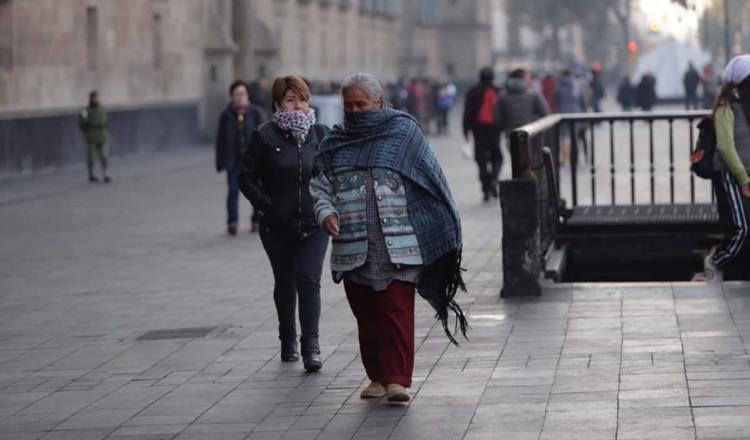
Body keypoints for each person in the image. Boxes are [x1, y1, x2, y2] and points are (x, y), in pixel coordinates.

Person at [310, 73, 467, 403]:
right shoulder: (334, 143)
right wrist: (325, 213)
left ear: (378, 103)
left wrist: (432, 223)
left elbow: (428, 178)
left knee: (395, 311)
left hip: (399, 243)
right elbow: (320, 186)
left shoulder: (403, 133)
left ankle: (397, 379)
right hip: (352, 245)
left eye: (361, 105)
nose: (354, 111)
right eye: (348, 106)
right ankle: (377, 378)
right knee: (366, 315)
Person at [239, 75, 330, 372]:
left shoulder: (321, 134)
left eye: (303, 99)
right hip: (277, 226)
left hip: (314, 224)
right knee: (285, 281)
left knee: (309, 279)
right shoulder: (265, 136)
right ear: (278, 103)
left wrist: (329, 207)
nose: (299, 106)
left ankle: (312, 346)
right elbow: (246, 178)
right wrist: (268, 207)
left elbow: (334, 174)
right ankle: (287, 337)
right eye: (291, 100)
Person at [701, 55, 750, 282]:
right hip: (731, 173)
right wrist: (742, 179)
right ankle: (715, 260)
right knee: (741, 228)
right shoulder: (726, 104)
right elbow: (726, 146)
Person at [215, 80, 266, 235]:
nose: (240, 97)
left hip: (253, 162)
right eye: (237, 94)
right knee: (233, 190)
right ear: (231, 96)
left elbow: (264, 136)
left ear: (247, 95)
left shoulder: (255, 112)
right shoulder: (226, 115)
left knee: (256, 190)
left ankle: (256, 219)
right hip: (234, 161)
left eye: (243, 94)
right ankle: (232, 221)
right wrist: (220, 161)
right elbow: (220, 140)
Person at [463, 67, 502, 201]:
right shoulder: (498, 91)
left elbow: (467, 113)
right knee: (497, 157)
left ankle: (486, 188)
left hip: (478, 130)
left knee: (481, 160)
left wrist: (465, 131)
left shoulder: (473, 92)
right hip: (495, 130)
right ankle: (494, 179)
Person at [496, 68, 550, 133]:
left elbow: (497, 114)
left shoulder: (502, 95)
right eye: (528, 78)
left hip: (510, 130)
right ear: (523, 79)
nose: (530, 80)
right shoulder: (533, 94)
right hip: (530, 130)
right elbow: (545, 112)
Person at [555, 69, 588, 163]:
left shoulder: (558, 86)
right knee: (574, 136)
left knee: (563, 136)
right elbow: (583, 101)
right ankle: (574, 157)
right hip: (576, 114)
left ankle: (564, 157)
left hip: (562, 114)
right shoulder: (576, 86)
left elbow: (556, 99)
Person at [79, 90, 110, 183]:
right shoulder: (86, 111)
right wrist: (86, 128)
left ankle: (105, 173)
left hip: (102, 135)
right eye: (93, 98)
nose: (95, 99)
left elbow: (106, 120)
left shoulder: (103, 109)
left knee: (104, 155)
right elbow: (81, 123)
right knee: (91, 156)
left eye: (96, 98)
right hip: (91, 135)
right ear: (90, 99)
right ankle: (91, 174)